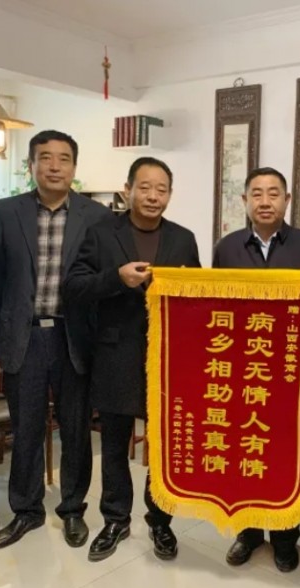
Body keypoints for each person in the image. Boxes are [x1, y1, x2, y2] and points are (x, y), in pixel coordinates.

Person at [64, 156, 200, 561]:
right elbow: (74, 287)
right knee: (114, 443)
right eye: (145, 187)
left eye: (161, 189)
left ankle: (160, 521)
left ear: (170, 195)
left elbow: (196, 296)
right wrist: (116, 278)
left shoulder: (183, 238)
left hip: (167, 358)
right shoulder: (101, 233)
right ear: (127, 190)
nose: (153, 196)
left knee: (163, 445)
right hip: (115, 353)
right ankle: (115, 520)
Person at [0, 130, 110, 549]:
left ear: (74, 167)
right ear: (31, 165)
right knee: (26, 427)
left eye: (63, 159)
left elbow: (100, 281)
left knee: (75, 428)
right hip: (24, 336)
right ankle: (26, 510)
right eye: (45, 157)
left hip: (74, 337)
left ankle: (72, 509)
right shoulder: (5, 212)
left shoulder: (97, 216)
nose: (54, 166)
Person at [214, 166, 300, 572]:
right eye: (256, 193)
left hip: (289, 373)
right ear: (244, 201)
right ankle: (248, 534)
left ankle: (285, 538)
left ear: (287, 200)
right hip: (240, 372)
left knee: (282, 455)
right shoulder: (226, 248)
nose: (264, 201)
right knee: (243, 450)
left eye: (273, 193)